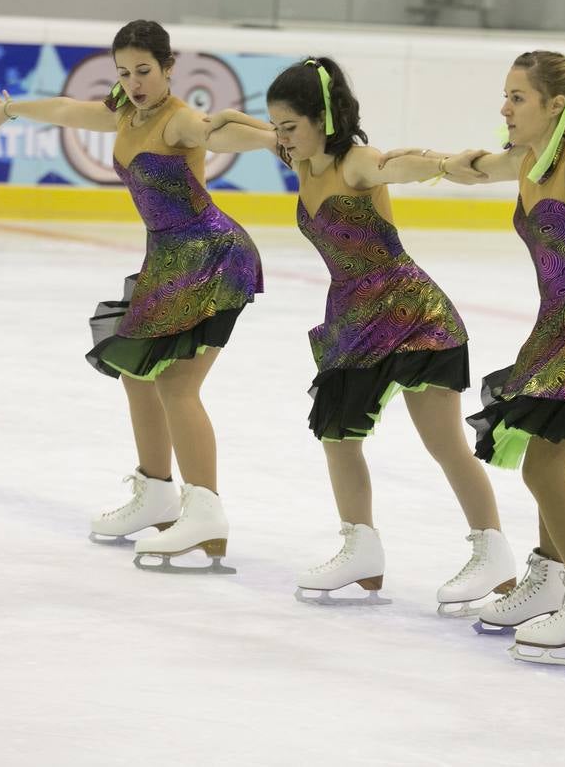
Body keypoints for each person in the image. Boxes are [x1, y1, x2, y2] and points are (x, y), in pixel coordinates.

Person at [204, 57, 516, 611]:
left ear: (323, 118)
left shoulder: (357, 163)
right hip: (354, 320)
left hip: (412, 315)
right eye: (276, 127)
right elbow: (230, 128)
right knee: (338, 435)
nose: (282, 139)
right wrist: (221, 125)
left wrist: (446, 162)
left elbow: (404, 165)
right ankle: (361, 548)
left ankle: (493, 553)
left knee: (443, 443)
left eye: (290, 127)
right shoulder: (295, 153)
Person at [0, 20, 263, 574]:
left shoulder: (180, 120)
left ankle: (205, 512)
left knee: (178, 385)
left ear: (168, 67)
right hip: (167, 258)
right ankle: (156, 492)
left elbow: (219, 131)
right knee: (137, 372)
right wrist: (13, 111)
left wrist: (281, 137)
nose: (133, 82)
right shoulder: (126, 111)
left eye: (144, 71)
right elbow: (68, 111)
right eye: (125, 72)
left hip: (211, 256)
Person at [382, 51, 565, 666]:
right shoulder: (528, 160)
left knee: (544, 471)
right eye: (505, 96)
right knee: (554, 466)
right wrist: (424, 162)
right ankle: (553, 578)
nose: (504, 107)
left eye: (517, 97)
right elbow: (471, 170)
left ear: (555, 105)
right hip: (561, 327)